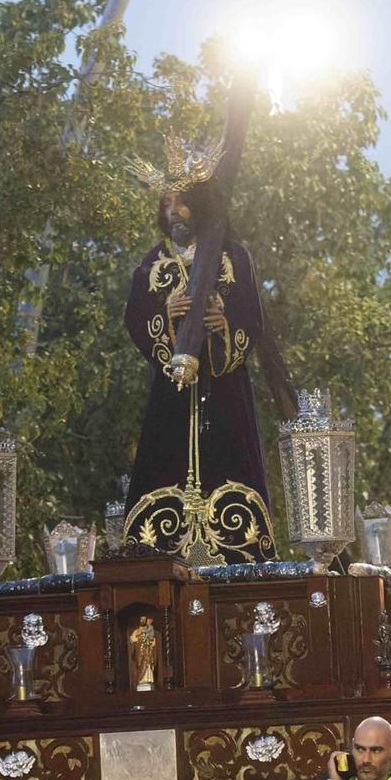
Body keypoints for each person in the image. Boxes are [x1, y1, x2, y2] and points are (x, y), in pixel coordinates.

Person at [121, 135, 278, 563]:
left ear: (202, 204)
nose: (174, 211)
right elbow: (136, 319)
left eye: (182, 202)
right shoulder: (152, 263)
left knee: (229, 474)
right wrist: (164, 315)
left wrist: (224, 325)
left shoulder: (233, 257)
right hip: (171, 397)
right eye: (168, 203)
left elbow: (252, 319)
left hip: (224, 394)